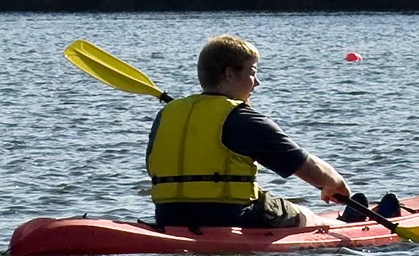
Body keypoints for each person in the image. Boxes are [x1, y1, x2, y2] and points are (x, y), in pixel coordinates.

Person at [145, 35, 350, 229]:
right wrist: (336, 183)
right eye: (252, 72)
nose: (257, 82)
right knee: (304, 214)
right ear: (230, 75)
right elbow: (305, 166)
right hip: (231, 216)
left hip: (168, 215)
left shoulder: (166, 115)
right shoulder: (241, 118)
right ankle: (345, 226)